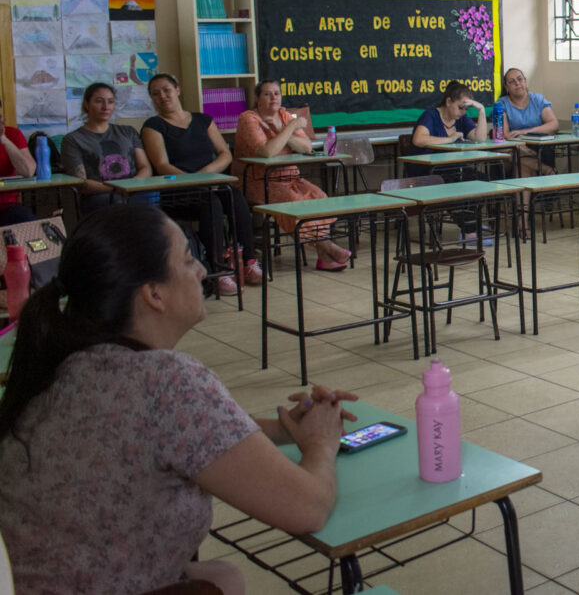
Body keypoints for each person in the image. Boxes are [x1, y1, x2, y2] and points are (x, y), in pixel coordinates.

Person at [0, 206, 355, 595]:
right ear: (153, 294)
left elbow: (178, 435)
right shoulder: (166, 381)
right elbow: (307, 509)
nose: (202, 270)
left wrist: (283, 428)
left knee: (220, 575)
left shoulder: (61, 361)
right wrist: (321, 442)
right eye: (188, 259)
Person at [143, 73, 262, 295]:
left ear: (177, 90)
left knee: (236, 199)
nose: (162, 96)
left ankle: (249, 260)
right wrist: (196, 182)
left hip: (211, 183)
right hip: (177, 192)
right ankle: (218, 271)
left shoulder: (202, 120)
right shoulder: (153, 126)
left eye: (166, 90)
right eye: (155, 94)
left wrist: (207, 174)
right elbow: (161, 165)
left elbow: (225, 154)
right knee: (212, 204)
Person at [232, 80, 350, 270]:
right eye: (267, 94)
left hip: (290, 177)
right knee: (294, 202)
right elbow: (267, 152)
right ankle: (328, 247)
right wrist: (290, 128)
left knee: (319, 196)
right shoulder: (249, 119)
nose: (273, 98)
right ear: (257, 98)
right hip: (259, 182)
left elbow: (306, 147)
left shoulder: (284, 115)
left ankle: (324, 257)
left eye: (277, 93)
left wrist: (281, 129)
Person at [406, 81, 492, 245]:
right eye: (461, 107)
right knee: (454, 184)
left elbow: (479, 138)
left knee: (481, 180)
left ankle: (470, 225)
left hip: (450, 168)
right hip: (426, 172)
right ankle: (470, 231)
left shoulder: (460, 118)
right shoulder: (431, 115)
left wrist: (481, 110)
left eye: (466, 108)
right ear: (448, 101)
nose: (463, 111)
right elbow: (418, 139)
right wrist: (449, 139)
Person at [61, 82, 153, 213]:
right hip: (99, 195)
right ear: (86, 105)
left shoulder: (128, 132)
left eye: (110, 102)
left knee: (153, 197)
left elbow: (145, 167)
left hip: (133, 190)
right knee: (117, 201)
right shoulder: (73, 139)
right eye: (99, 101)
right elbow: (81, 183)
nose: (105, 107)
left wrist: (133, 185)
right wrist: (117, 189)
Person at [498, 67, 559, 177]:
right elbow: (505, 134)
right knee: (512, 153)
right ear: (506, 87)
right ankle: (547, 170)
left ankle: (542, 170)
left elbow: (553, 124)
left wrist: (526, 131)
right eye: (512, 82)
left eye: (520, 79)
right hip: (515, 147)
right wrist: (521, 148)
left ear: (525, 81)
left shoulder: (538, 100)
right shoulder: (501, 104)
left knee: (522, 167)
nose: (517, 83)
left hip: (537, 146)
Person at [0, 96, 36, 226]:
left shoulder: (12, 134)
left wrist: (4, 139)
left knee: (26, 220)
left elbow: (28, 171)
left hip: (7, 206)